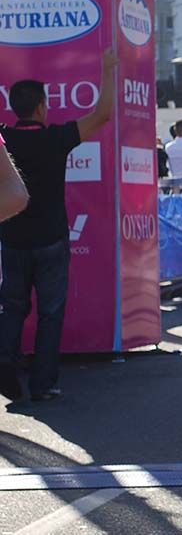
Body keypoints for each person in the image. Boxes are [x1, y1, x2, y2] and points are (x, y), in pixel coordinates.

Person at [0, 48, 117, 403]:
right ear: (40, 107)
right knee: (51, 313)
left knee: (12, 307)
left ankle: (6, 368)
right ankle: (43, 384)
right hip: (51, 238)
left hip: (11, 237)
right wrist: (108, 68)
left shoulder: (5, 138)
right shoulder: (55, 138)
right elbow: (103, 114)